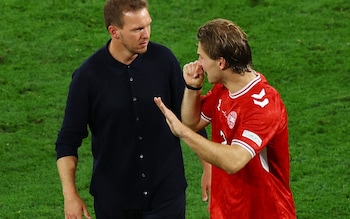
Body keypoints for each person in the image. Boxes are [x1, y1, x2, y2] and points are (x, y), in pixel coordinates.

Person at [55, 0, 206, 218]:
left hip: (166, 197)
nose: (146, 34)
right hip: (115, 203)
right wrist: (70, 195)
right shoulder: (87, 77)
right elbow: (68, 141)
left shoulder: (164, 60)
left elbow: (189, 117)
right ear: (114, 32)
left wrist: (208, 167)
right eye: (137, 29)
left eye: (147, 25)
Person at [154, 18, 296, 218]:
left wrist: (183, 133)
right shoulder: (224, 89)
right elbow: (192, 122)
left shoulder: (264, 105)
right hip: (227, 209)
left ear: (221, 62)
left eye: (201, 58)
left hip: (264, 211)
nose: (198, 64)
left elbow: (234, 160)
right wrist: (193, 87)